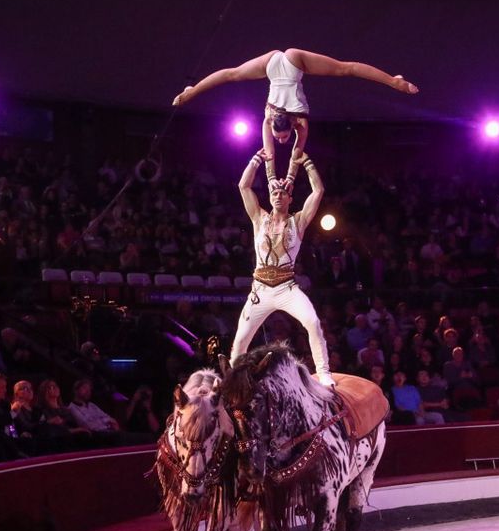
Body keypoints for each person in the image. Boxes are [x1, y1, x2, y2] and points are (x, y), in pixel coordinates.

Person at [173, 48, 417, 185]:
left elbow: (280, 153)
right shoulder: (287, 121)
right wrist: (283, 179)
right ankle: (191, 91)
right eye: (281, 138)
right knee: (232, 75)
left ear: (288, 126)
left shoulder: (286, 120)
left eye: (282, 137)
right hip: (279, 64)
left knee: (346, 68)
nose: (281, 140)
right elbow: (285, 154)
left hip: (289, 63)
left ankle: (393, 81)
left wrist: (279, 180)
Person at [229, 148, 334, 385]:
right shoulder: (259, 218)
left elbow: (318, 190)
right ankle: (232, 380)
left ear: (290, 199)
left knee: (313, 323)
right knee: (240, 340)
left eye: (282, 193)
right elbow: (243, 186)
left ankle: (324, 373)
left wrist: (306, 161)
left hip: (287, 288)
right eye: (274, 192)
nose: (277, 196)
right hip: (260, 291)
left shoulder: (298, 220)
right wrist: (256, 160)